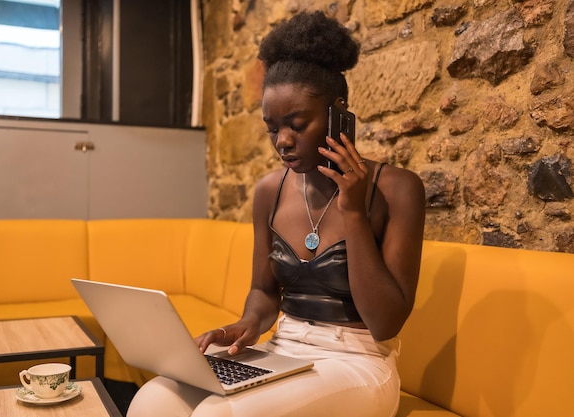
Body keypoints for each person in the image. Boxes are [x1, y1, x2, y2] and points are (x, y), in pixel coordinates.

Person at [127, 10, 425, 417]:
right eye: (272, 128)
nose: (282, 141)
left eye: (297, 124)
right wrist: (246, 324)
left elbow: (386, 323)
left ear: (339, 114)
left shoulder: (397, 189)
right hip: (282, 349)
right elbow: (264, 292)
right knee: (154, 400)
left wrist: (352, 212)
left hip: (358, 363)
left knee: (217, 415)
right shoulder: (270, 190)